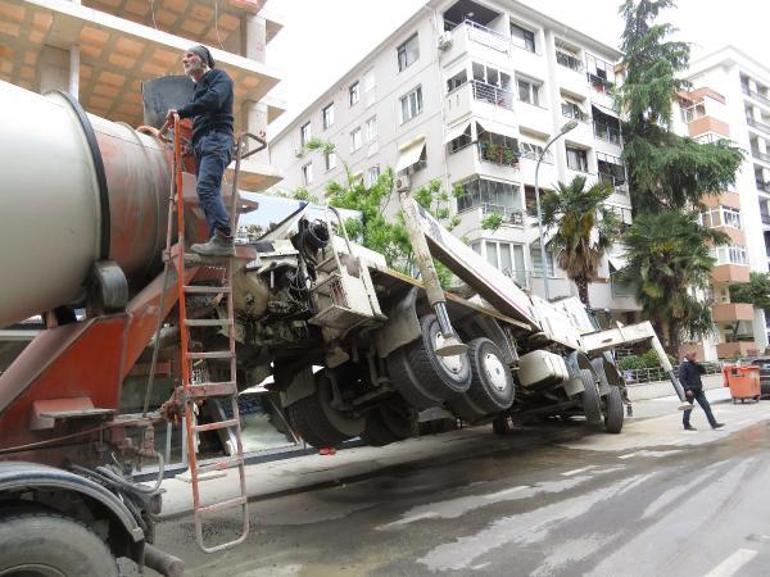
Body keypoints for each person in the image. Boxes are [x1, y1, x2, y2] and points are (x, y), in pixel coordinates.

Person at [166, 44, 235, 256]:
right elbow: (201, 122)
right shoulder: (197, 90)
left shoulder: (219, 77)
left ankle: (223, 237)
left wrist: (182, 112)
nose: (184, 60)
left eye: (190, 55)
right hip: (205, 143)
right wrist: (190, 146)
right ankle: (217, 240)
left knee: (206, 187)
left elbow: (214, 101)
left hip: (217, 139)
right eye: (183, 57)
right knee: (205, 190)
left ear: (204, 60)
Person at [679, 351, 724, 431]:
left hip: (698, 390)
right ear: (687, 356)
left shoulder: (694, 364)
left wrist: (697, 363)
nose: (693, 357)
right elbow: (682, 379)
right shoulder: (683, 366)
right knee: (688, 408)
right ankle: (686, 424)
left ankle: (714, 424)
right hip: (690, 391)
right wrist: (687, 389)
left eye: (694, 356)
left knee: (707, 407)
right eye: (692, 356)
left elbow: (703, 371)